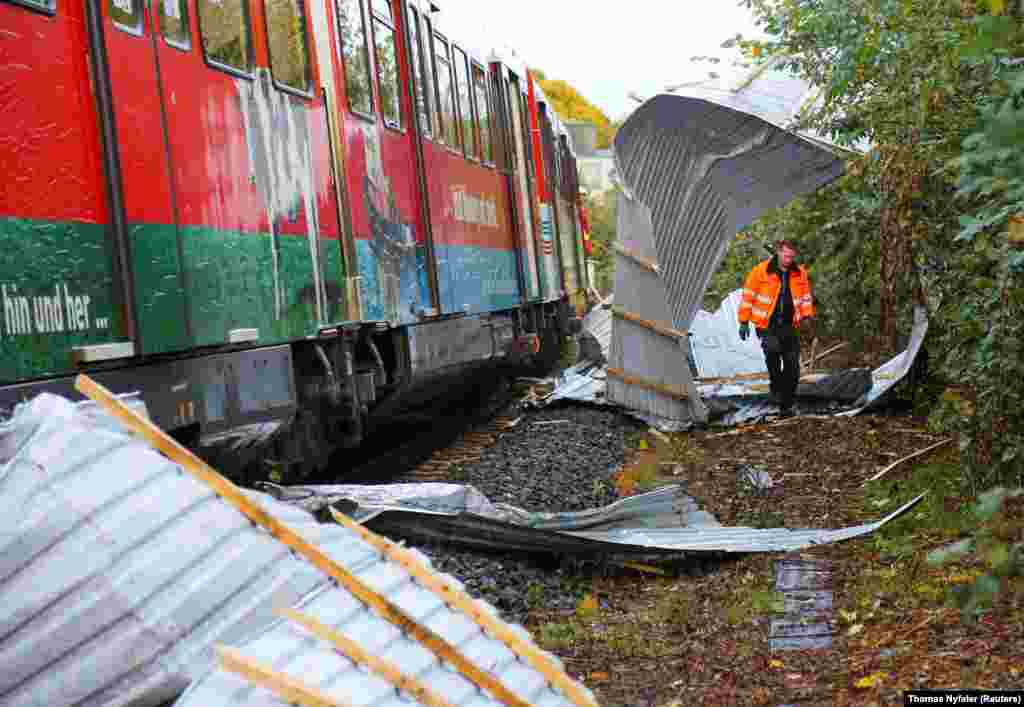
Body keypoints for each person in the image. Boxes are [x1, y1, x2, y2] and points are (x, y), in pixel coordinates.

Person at [737, 240, 815, 417]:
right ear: (778, 252)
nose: (789, 259)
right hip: (767, 325)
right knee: (772, 352)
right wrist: (743, 321)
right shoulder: (761, 271)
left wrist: (807, 317)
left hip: (790, 325)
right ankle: (776, 384)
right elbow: (748, 296)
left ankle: (787, 405)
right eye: (786, 255)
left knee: (793, 366)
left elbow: (805, 297)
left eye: (792, 256)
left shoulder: (799, 273)